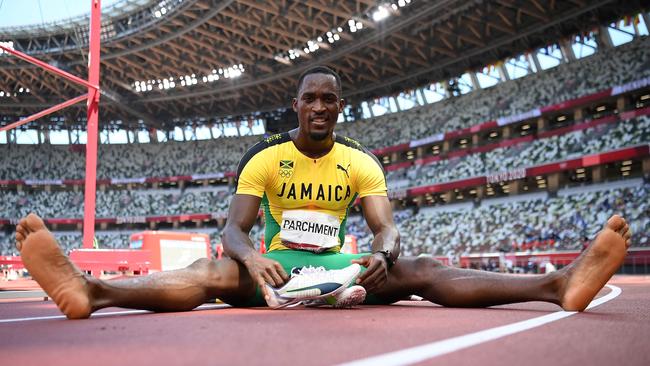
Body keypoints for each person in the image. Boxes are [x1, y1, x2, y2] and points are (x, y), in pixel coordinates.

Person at [14, 66, 632, 319]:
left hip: (339, 269)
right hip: (277, 270)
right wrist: (252, 258)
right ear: (297, 106)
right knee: (209, 269)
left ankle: (559, 285)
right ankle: (90, 290)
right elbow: (234, 229)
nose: (317, 106)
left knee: (420, 266)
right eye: (308, 98)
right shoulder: (266, 158)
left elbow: (385, 225)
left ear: (339, 108)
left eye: (327, 99)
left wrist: (384, 252)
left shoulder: (360, 161)